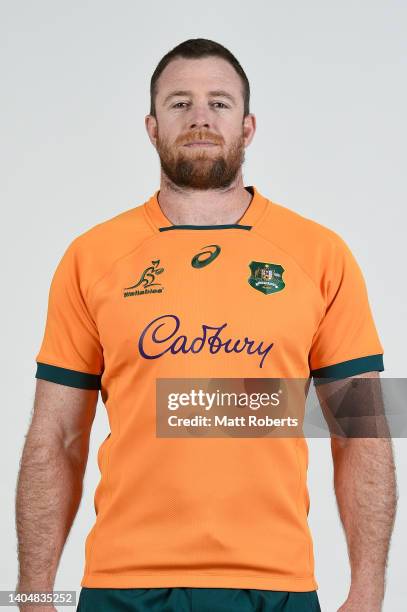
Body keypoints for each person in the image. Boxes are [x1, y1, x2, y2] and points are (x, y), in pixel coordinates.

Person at [15, 38, 397, 612]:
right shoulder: (91, 257)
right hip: (123, 583)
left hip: (277, 584)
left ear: (247, 126)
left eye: (219, 103)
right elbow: (56, 437)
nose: (199, 117)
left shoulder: (320, 255)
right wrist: (34, 594)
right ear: (151, 127)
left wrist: (368, 592)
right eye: (179, 103)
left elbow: (362, 429)